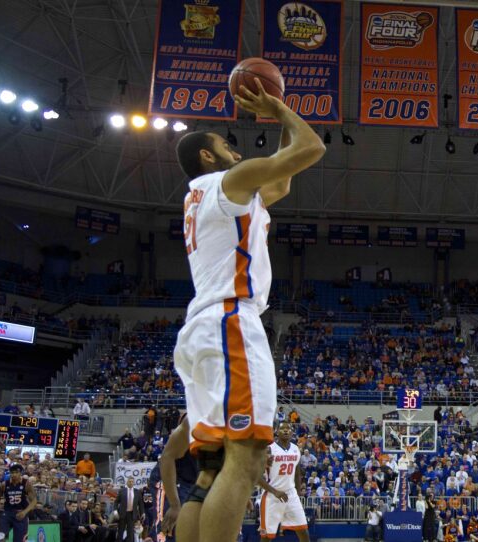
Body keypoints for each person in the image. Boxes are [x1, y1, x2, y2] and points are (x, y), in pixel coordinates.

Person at [172, 76, 325, 542]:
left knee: (210, 470)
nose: (236, 151)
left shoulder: (214, 196)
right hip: (229, 323)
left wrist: (282, 115)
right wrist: (279, 111)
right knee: (247, 458)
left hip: (202, 328)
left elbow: (281, 178)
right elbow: (312, 148)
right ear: (206, 155)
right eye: (226, 145)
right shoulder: (227, 181)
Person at [158, 415, 209, 542]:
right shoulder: (193, 419)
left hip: (203, 484)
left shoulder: (233, 421)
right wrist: (175, 504)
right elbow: (167, 458)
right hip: (179, 483)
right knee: (176, 532)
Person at [257, 423, 309, 542]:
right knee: (266, 537)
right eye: (282, 428)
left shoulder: (296, 449)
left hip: (291, 495)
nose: (285, 431)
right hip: (272, 496)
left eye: (288, 428)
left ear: (292, 432)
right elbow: (257, 477)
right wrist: (275, 492)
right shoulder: (269, 449)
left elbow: (297, 472)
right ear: (277, 431)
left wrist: (298, 492)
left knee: (304, 532)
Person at [0, 463, 37, 542]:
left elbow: (34, 501)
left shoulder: (26, 483)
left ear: (21, 473)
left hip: (21, 513)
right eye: (12, 472)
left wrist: (25, 512)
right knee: (0, 537)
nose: (14, 474)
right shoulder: (4, 484)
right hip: (7, 512)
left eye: (16, 472)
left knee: (19, 540)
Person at [115, 477, 144, 542]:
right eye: (129, 481)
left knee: (130, 533)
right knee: (120, 531)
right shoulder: (122, 491)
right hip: (122, 513)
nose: (131, 483)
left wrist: (142, 513)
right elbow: (116, 501)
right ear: (127, 482)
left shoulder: (137, 492)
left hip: (131, 514)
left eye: (132, 481)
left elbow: (141, 504)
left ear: (133, 483)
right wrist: (115, 511)